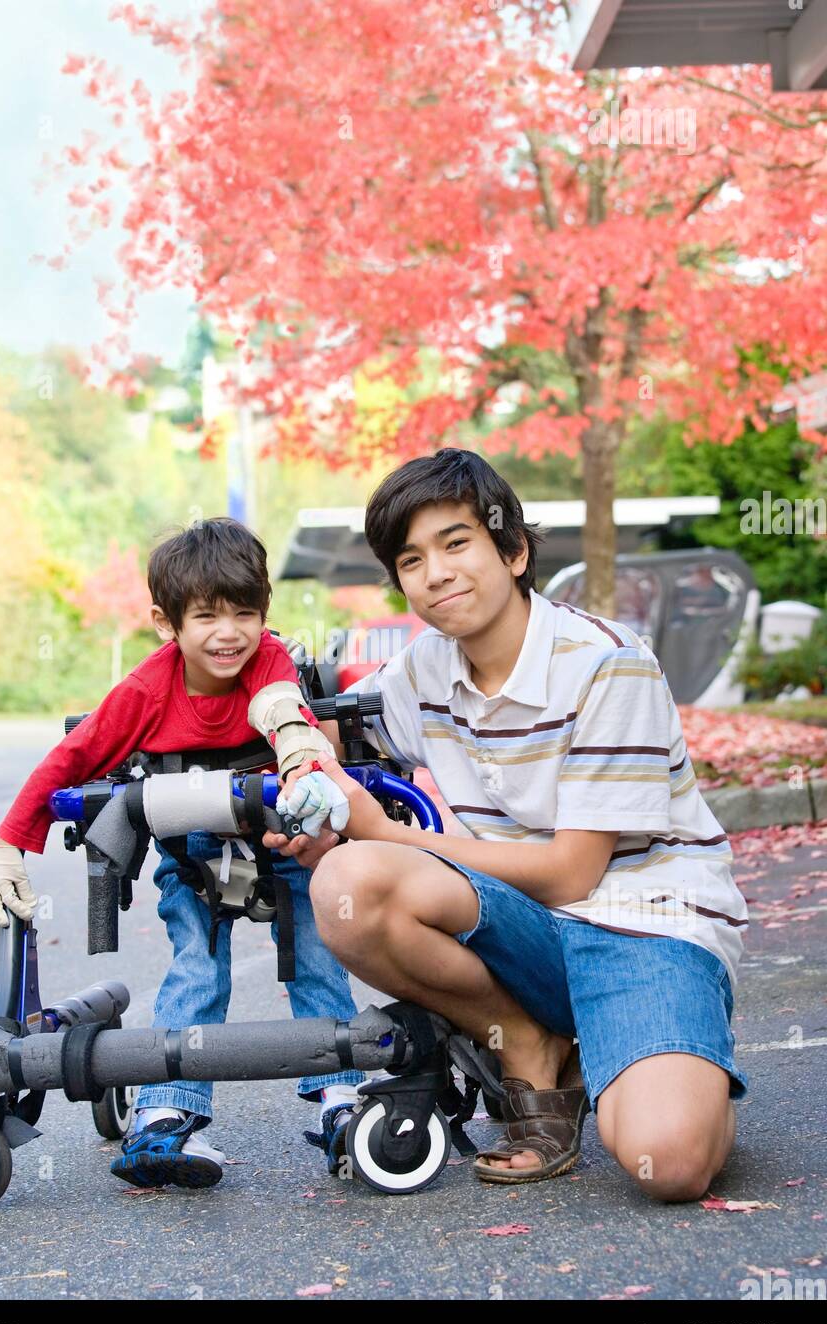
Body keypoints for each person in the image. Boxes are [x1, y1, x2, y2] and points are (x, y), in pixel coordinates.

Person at [269, 448, 750, 1203]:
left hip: (644, 925)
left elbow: (572, 874)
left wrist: (386, 832)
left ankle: (671, 1053)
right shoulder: (422, 671)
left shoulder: (605, 663)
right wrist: (307, 793)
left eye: (456, 543)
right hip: (529, 937)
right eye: (411, 559)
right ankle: (530, 1042)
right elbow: (327, 733)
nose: (436, 573)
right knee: (346, 884)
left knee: (670, 1163)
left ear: (514, 549)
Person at [0, 518, 363, 1190]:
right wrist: (10, 843)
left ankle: (341, 1098)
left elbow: (281, 707)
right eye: (207, 616)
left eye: (245, 613)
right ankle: (167, 1113)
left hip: (282, 837)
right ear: (167, 623)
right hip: (194, 850)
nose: (228, 633)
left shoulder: (267, 662)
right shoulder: (145, 692)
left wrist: (301, 750)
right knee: (196, 967)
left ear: (264, 615)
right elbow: (71, 760)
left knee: (317, 960)